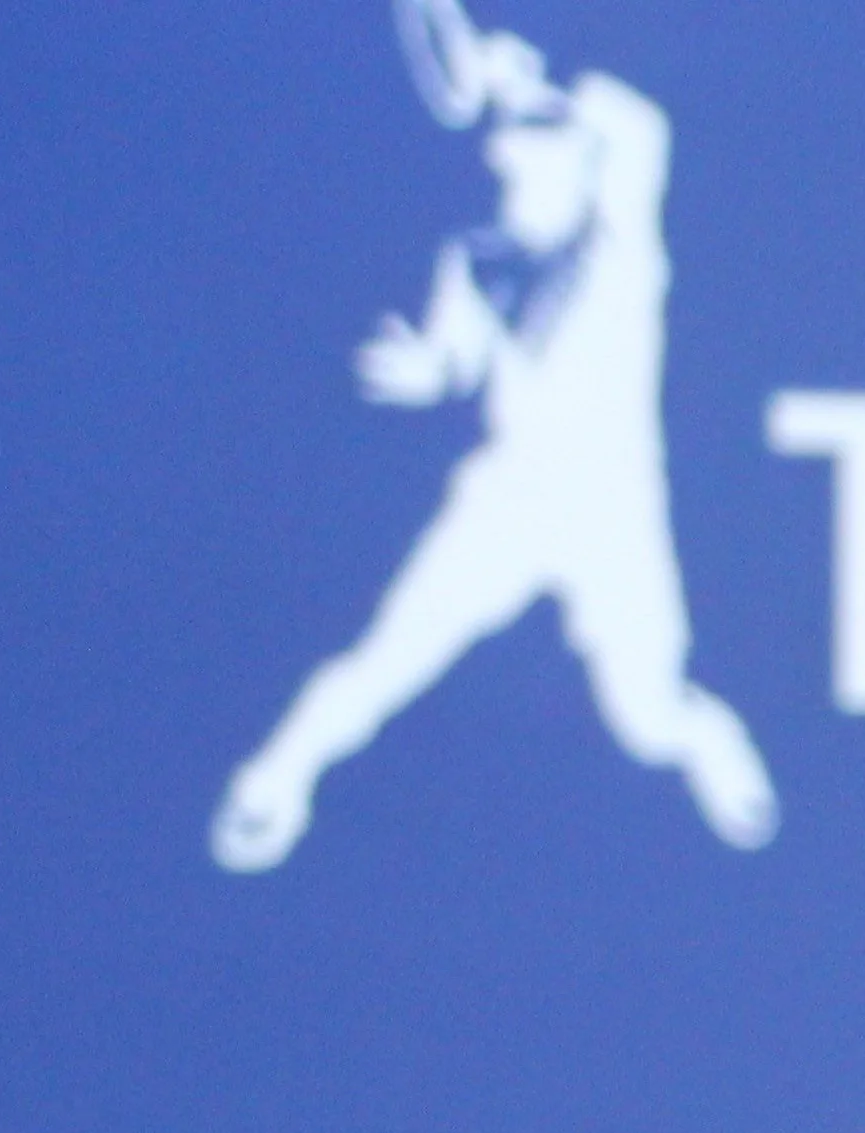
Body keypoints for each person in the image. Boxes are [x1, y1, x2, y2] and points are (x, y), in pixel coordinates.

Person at [212, 0, 771, 873]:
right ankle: (274, 783)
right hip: (510, 496)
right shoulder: (478, 259)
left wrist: (532, 78)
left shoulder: (621, 245)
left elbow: (640, 124)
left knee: (650, 719)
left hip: (614, 509)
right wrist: (427, 373)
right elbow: (456, 361)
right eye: (510, 157)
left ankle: (710, 739)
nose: (518, 167)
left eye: (537, 151)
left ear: (578, 164)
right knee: (384, 660)